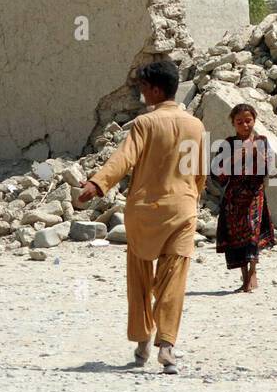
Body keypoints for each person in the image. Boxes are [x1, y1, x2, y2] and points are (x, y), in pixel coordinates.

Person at [77, 60, 206, 374]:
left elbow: (123, 160)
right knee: (174, 280)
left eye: (144, 88)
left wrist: (97, 183)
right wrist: (191, 199)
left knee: (139, 279)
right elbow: (199, 172)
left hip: (144, 212)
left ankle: (142, 340)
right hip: (182, 210)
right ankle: (167, 345)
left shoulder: (144, 124)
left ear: (157, 89)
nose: (141, 94)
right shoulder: (195, 126)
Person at [212, 103, 275, 292]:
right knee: (236, 238)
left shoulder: (262, 141)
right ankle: (245, 275)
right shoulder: (228, 144)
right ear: (233, 123)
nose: (245, 125)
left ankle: (251, 275)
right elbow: (217, 173)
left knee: (252, 234)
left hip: (254, 195)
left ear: (254, 120)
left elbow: (270, 168)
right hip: (233, 199)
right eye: (239, 122)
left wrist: (258, 156)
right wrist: (235, 158)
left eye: (248, 121)